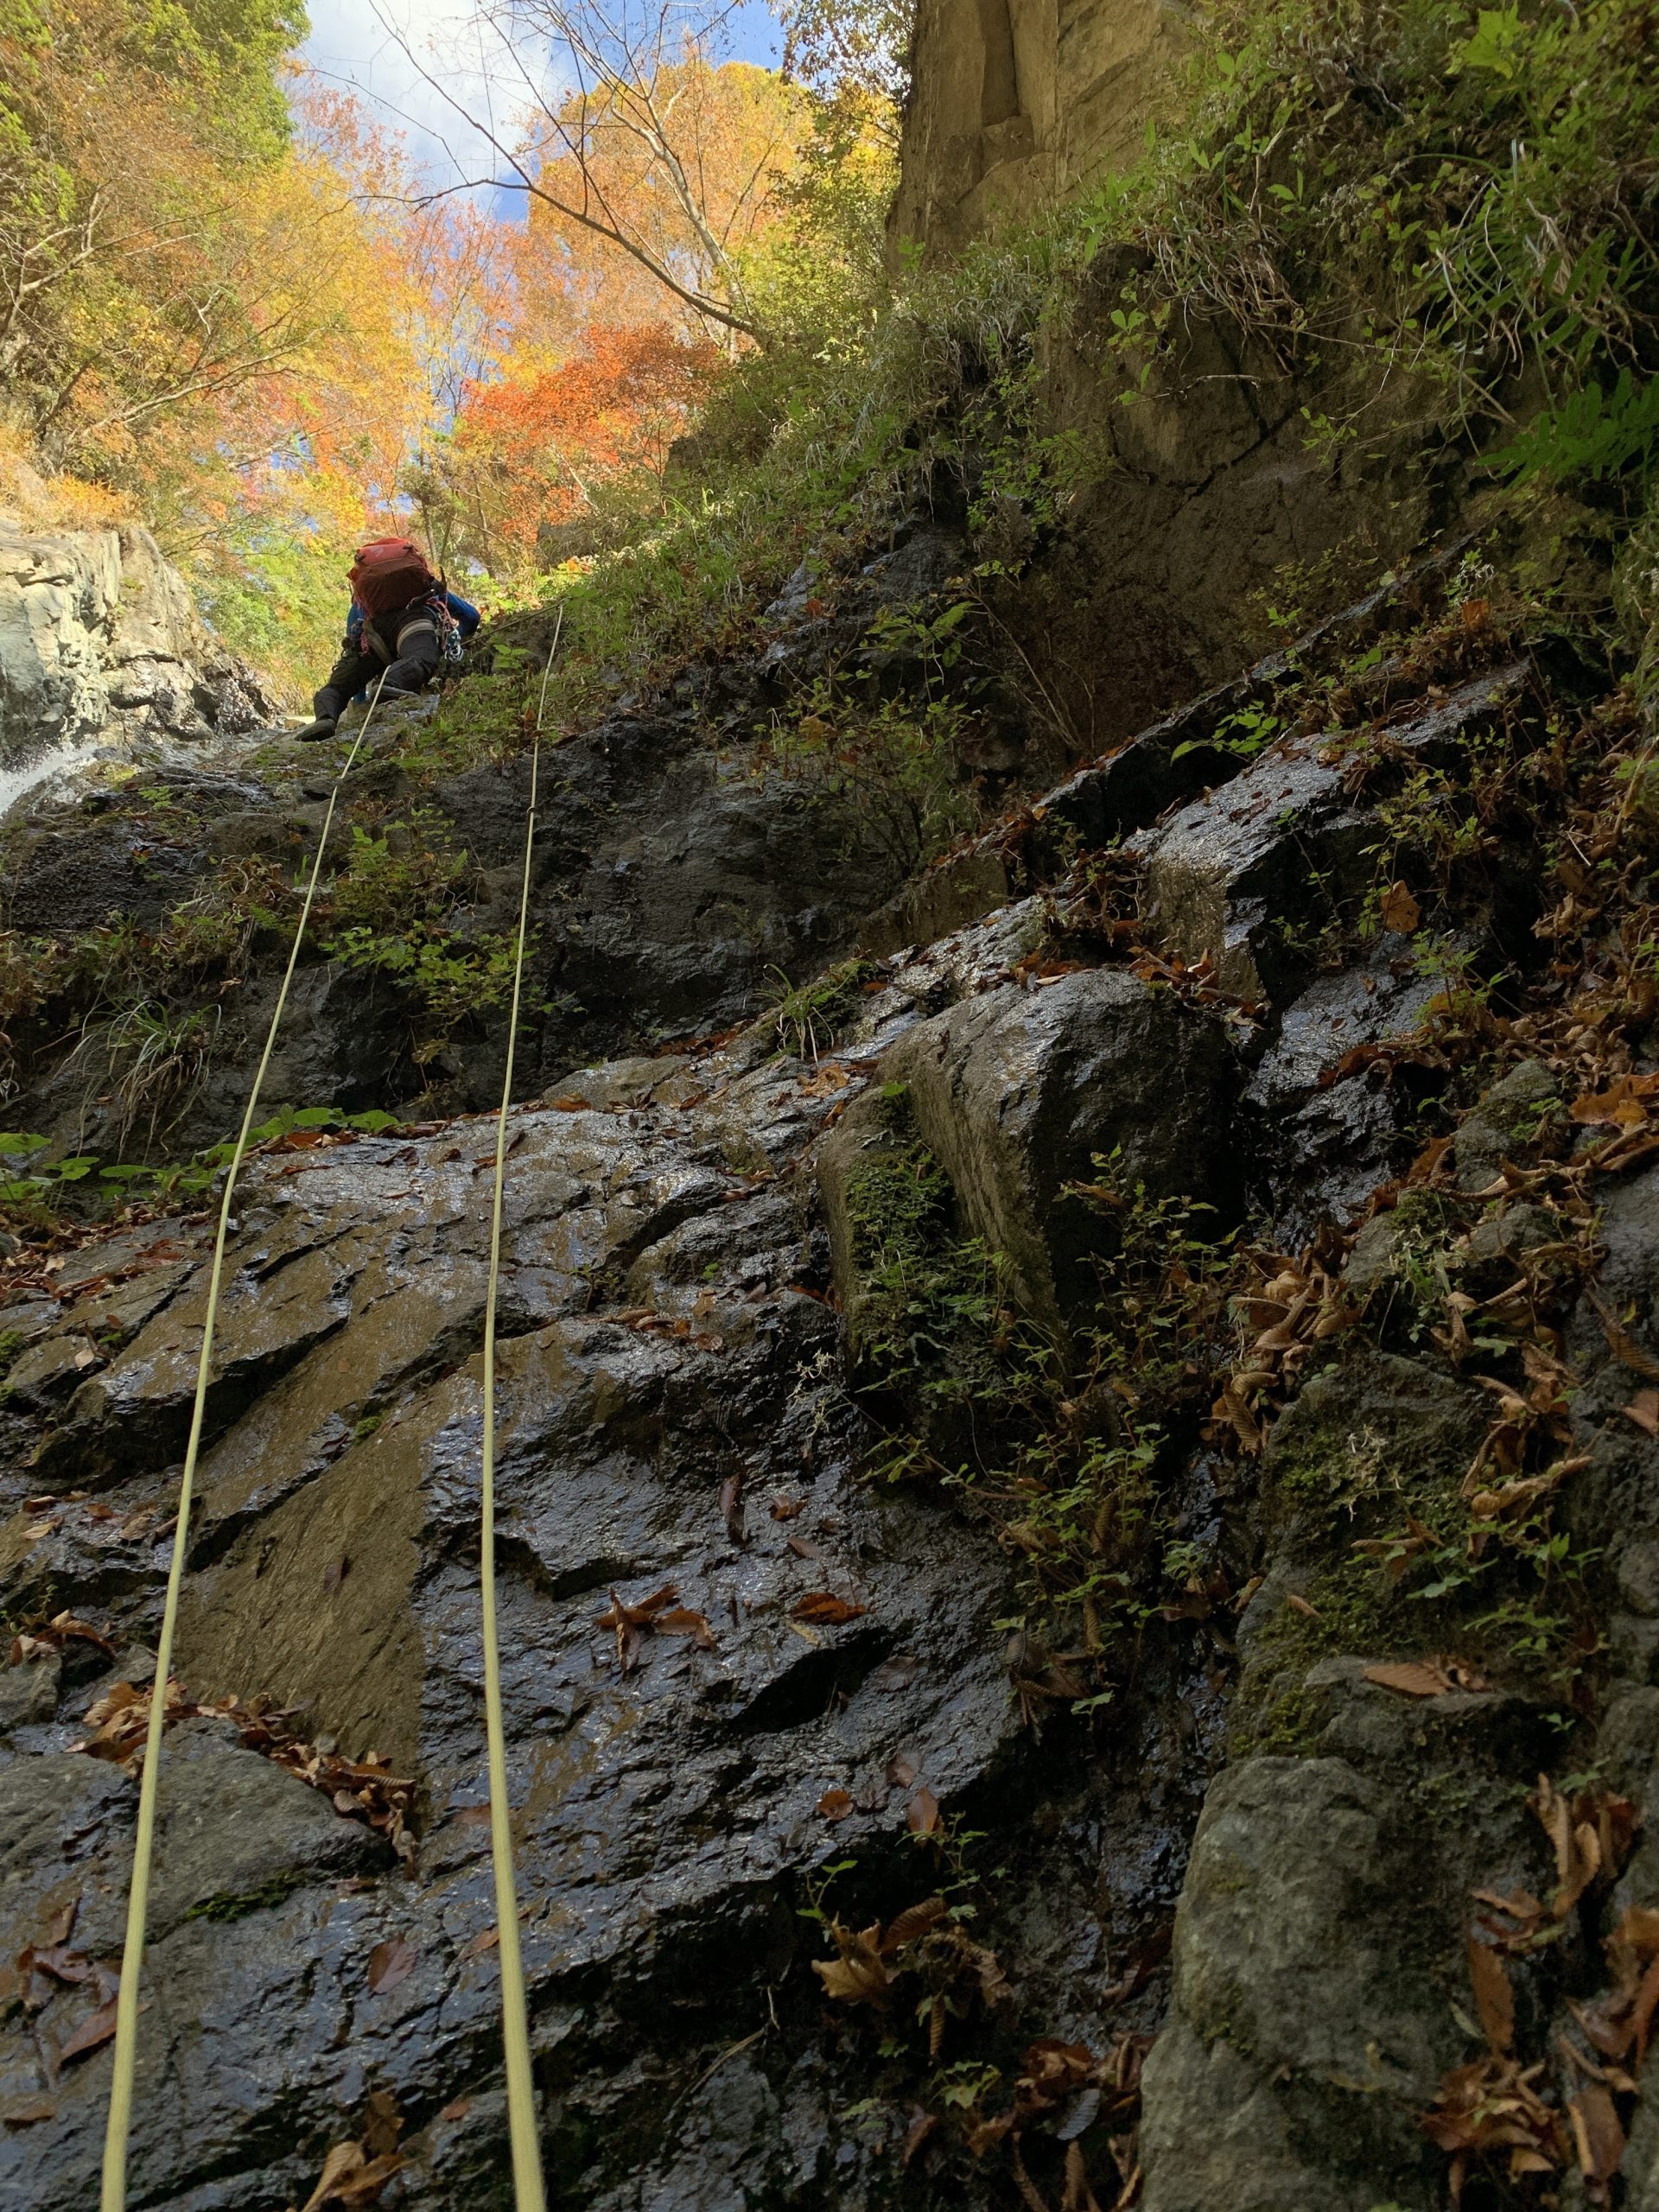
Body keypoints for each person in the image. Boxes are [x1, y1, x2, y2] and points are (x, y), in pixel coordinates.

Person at [295, 537, 482, 741]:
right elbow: (471, 617)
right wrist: (452, 641)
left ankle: (326, 717)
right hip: (415, 625)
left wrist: (360, 703)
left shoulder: (362, 602)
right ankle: (393, 684)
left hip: (373, 636)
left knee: (337, 687)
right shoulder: (425, 589)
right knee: (420, 659)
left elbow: (354, 643)